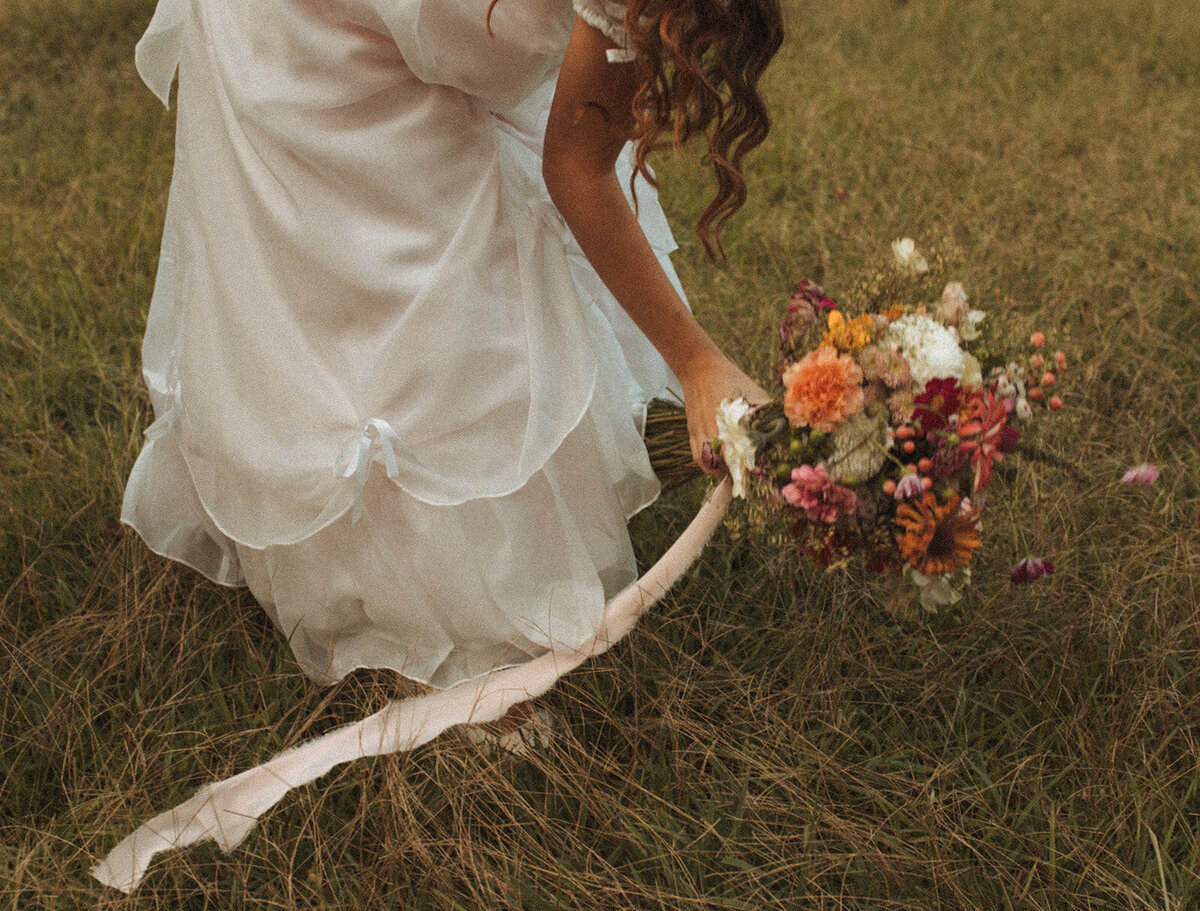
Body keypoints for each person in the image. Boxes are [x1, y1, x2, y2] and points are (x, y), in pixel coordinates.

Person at [122, 0, 781, 712]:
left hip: (429, 25)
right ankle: (421, 599)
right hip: (306, 28)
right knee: (397, 263)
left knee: (464, 243)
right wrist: (695, 360)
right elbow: (577, 171)